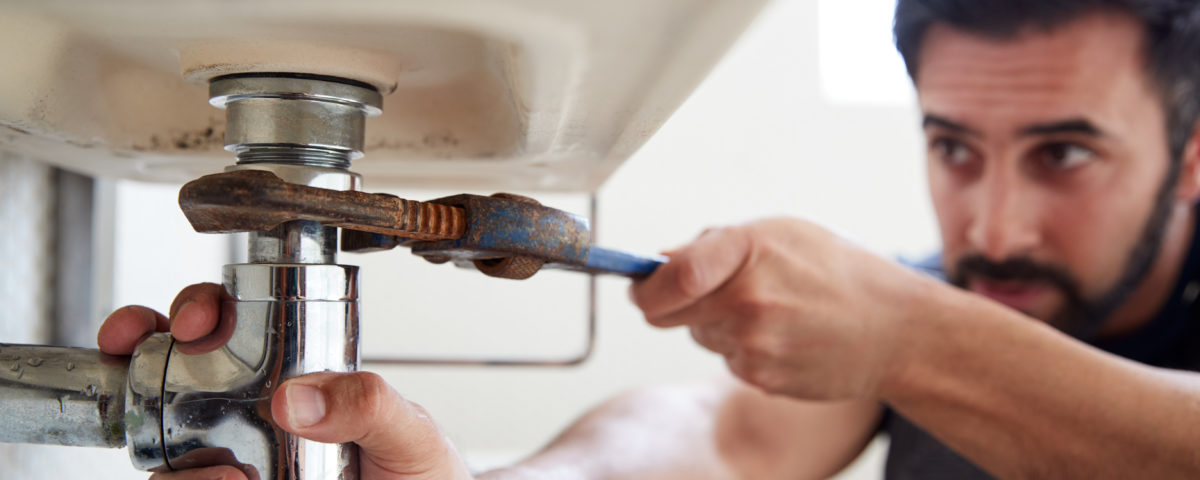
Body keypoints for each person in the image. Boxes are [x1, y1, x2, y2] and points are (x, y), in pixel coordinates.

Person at [98, 0, 1200, 478]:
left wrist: (910, 337)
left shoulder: (922, 323)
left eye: (1065, 155)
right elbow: (722, 439)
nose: (993, 224)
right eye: (956, 148)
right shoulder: (938, 307)